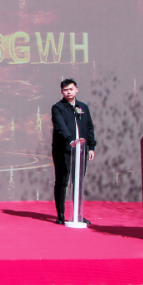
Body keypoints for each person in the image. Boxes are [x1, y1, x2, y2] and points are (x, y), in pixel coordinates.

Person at [51, 79, 96, 225]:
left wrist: (91, 147)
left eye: (71, 89)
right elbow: (60, 126)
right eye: (65, 90)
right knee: (62, 181)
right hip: (63, 149)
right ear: (62, 92)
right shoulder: (58, 108)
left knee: (78, 181)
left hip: (81, 150)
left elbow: (89, 128)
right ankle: (61, 215)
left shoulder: (83, 107)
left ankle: (77, 214)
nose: (69, 92)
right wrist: (71, 140)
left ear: (76, 89)